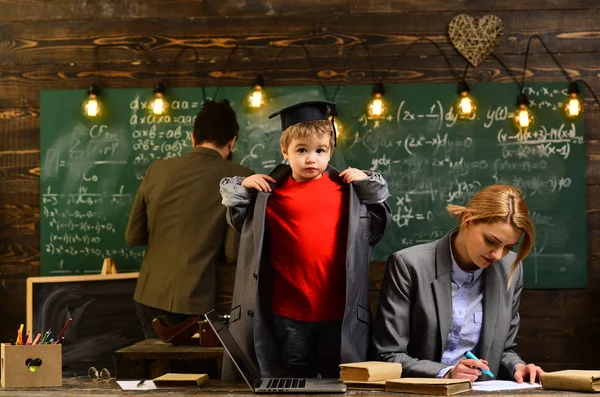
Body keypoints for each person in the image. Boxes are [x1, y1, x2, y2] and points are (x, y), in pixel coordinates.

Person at [219, 101, 392, 378]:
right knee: (291, 378)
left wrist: (368, 180)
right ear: (284, 151)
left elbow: (378, 221)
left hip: (338, 311)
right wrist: (243, 185)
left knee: (338, 378)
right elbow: (237, 214)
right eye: (301, 150)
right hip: (288, 311)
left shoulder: (348, 192)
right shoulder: (268, 194)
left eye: (320, 151)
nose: (311, 158)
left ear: (330, 151)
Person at [373, 184, 544, 383]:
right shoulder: (409, 266)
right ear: (467, 220)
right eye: (491, 241)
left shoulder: (510, 268)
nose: (498, 255)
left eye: (508, 247)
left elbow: (502, 350)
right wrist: (446, 373)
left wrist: (518, 367)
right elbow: (388, 356)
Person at [126, 99, 254, 338]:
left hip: (148, 294)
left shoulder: (157, 169)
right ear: (232, 141)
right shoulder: (240, 178)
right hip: (197, 302)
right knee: (193, 374)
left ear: (193, 137)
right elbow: (232, 252)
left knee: (157, 370)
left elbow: (133, 236)